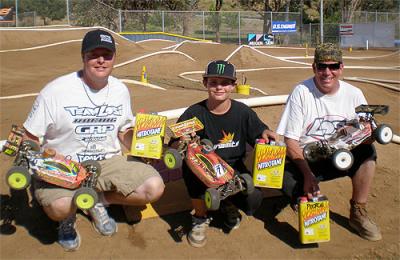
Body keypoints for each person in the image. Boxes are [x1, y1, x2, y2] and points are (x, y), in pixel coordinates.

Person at [22, 29, 165, 251]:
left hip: (107, 163)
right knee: (60, 207)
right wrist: (46, 160)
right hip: (65, 165)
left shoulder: (120, 90)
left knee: (153, 188)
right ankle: (66, 219)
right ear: (83, 57)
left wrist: (144, 144)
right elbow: (28, 137)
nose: (101, 60)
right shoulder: (55, 91)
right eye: (93, 54)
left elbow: (123, 131)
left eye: (107, 55)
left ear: (114, 58)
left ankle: (98, 200)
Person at [277, 43, 382, 241]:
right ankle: (307, 206)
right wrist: (308, 175)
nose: (327, 72)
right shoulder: (301, 92)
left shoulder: (354, 94)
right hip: (307, 158)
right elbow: (290, 141)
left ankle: (358, 211)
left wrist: (369, 134)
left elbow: (367, 136)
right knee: (280, 174)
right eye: (321, 66)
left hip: (340, 155)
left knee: (368, 153)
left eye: (333, 66)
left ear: (341, 68)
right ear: (313, 67)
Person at [169, 60, 278, 247]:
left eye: (225, 82)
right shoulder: (194, 113)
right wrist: (182, 141)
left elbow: (259, 132)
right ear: (205, 83)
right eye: (213, 82)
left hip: (232, 170)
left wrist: (266, 133)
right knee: (191, 168)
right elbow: (174, 145)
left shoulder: (243, 112)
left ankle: (228, 204)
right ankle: (200, 217)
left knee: (253, 198)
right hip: (203, 171)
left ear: (234, 85)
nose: (219, 87)